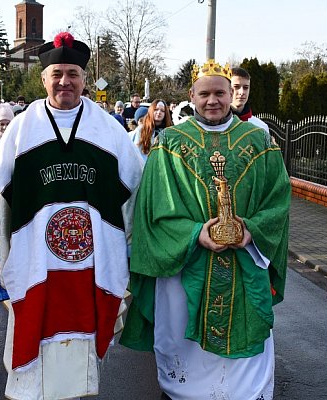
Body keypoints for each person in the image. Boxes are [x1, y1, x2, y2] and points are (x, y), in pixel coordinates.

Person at [0, 31, 142, 400]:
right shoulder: (21, 128)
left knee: (82, 342)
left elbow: (134, 195)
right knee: (34, 330)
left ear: (84, 79)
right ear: (44, 78)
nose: (65, 81)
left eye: (73, 74)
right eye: (57, 74)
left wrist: (132, 252)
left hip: (92, 264)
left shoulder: (109, 130)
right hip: (34, 260)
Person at [120, 59, 290, 400]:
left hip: (243, 259)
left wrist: (251, 230)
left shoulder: (259, 141)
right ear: (191, 96)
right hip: (188, 262)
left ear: (232, 94)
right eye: (205, 94)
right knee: (185, 346)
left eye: (220, 93)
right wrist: (196, 233)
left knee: (245, 357)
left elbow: (278, 200)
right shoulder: (169, 143)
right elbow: (154, 208)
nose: (213, 101)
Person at [230, 67, 269, 134]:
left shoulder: (260, 127)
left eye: (245, 87)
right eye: (236, 87)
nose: (242, 92)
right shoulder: (217, 125)